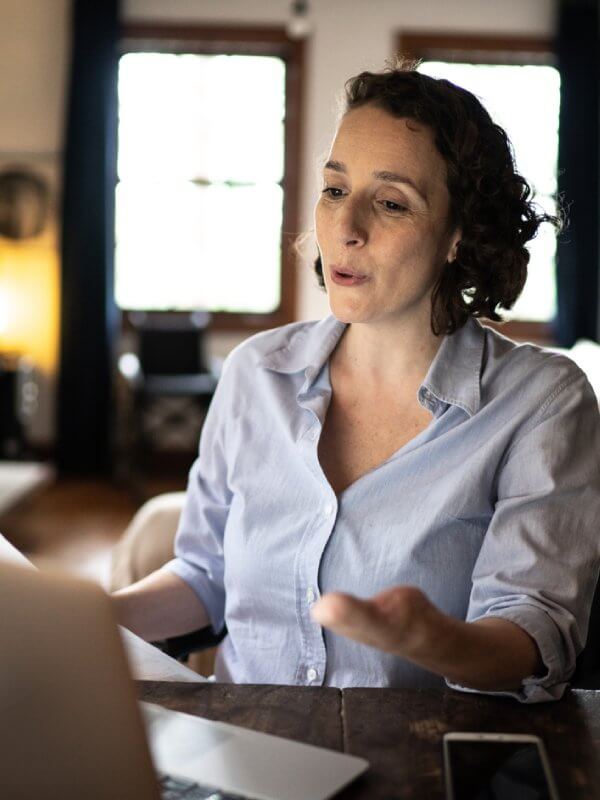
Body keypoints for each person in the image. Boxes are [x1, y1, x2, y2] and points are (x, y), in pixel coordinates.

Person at [113, 60, 600, 703]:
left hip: (418, 766)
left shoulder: (542, 401)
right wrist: (84, 619)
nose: (346, 229)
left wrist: (433, 639)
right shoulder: (254, 373)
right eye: (335, 190)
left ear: (458, 234)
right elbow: (207, 576)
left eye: (392, 203)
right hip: (243, 751)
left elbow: (536, 634)